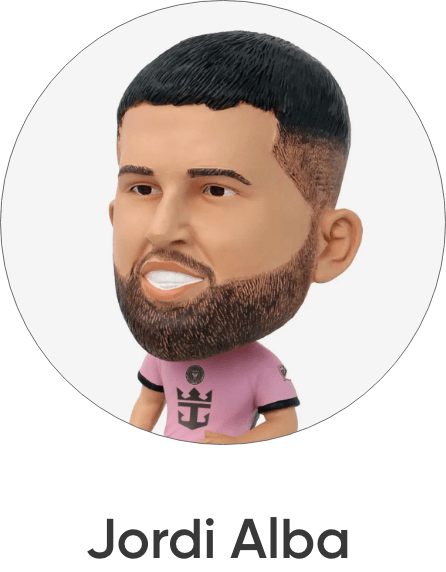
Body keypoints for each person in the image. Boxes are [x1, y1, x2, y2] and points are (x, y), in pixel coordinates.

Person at [109, 31, 362, 444]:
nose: (160, 230)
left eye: (216, 190)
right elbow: (147, 407)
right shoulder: (158, 362)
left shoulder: (261, 368)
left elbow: (282, 424)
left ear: (330, 246)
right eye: (142, 188)